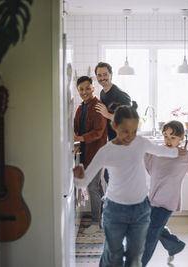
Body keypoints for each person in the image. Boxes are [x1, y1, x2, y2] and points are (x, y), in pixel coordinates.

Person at [73, 104, 187, 267]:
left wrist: (178, 151)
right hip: (115, 211)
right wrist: (76, 176)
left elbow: (164, 151)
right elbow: (83, 182)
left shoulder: (141, 142)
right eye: (125, 130)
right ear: (114, 126)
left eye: (134, 130)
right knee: (113, 256)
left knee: (135, 258)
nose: (130, 136)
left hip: (140, 210)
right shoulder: (105, 151)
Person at [141, 121, 188, 266]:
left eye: (172, 137)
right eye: (165, 136)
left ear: (181, 137)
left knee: (150, 234)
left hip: (167, 202)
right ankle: (174, 245)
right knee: (151, 227)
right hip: (152, 198)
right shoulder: (157, 152)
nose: (168, 140)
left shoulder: (184, 155)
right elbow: (146, 162)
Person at [73, 76, 107, 234]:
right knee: (96, 187)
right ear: (78, 90)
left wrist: (80, 138)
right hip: (85, 153)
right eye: (81, 89)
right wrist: (76, 141)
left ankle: (95, 223)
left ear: (93, 89)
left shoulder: (97, 106)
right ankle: (102, 219)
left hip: (96, 154)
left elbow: (99, 132)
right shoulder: (81, 107)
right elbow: (75, 128)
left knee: (93, 188)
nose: (84, 92)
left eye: (87, 88)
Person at [94, 62, 132, 184]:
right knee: (109, 176)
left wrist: (107, 115)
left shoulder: (120, 95)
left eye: (105, 74)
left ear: (111, 75)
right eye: (99, 75)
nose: (102, 78)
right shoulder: (102, 93)